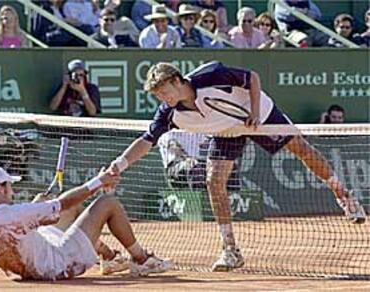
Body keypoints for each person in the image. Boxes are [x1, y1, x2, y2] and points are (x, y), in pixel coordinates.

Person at [106, 61, 366, 272]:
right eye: (157, 95)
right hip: (225, 131)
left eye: (164, 92)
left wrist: (253, 111)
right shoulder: (168, 113)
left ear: (177, 81)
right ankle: (230, 250)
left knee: (303, 151)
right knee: (213, 180)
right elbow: (146, 141)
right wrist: (118, 165)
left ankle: (343, 195)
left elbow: (251, 77)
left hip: (258, 115)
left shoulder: (212, 74)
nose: (162, 98)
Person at [0, 166, 172, 280]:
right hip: (60, 265)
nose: (12, 190)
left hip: (28, 268)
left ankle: (109, 257)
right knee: (107, 203)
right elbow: (63, 202)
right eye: (9, 186)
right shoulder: (16, 214)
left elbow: (16, 228)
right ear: (1, 189)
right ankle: (142, 260)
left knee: (66, 209)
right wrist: (99, 181)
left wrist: (37, 208)